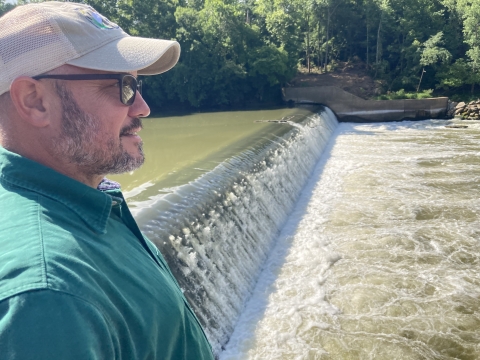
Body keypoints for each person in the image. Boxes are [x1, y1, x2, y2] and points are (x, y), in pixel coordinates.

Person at [0, 2, 214, 359]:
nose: (142, 107)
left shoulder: (87, 200)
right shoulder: (48, 296)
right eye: (123, 86)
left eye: (137, 84)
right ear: (35, 101)